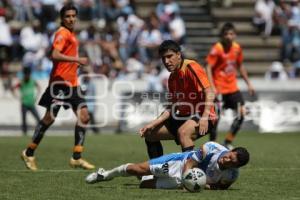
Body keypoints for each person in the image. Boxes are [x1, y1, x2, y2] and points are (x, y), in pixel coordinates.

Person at [20, 3, 95, 171]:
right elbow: (54, 55)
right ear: (62, 18)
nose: (71, 19)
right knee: (50, 118)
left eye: (73, 16)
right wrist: (76, 60)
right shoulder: (62, 33)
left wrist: (73, 66)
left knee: (84, 117)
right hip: (59, 84)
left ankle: (76, 157)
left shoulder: (71, 34)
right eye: (67, 16)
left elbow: (59, 54)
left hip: (72, 84)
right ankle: (29, 152)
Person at [139, 40, 216, 159]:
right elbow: (172, 107)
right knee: (150, 134)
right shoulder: (171, 79)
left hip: (204, 115)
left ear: (179, 54)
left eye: (170, 56)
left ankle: (188, 172)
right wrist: (152, 124)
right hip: (184, 116)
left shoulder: (191, 67)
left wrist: (205, 117)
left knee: (183, 133)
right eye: (163, 58)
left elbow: (209, 92)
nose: (166, 61)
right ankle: (157, 171)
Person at [85, 141, 250, 190]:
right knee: (136, 169)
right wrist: (189, 179)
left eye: (231, 163)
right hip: (179, 164)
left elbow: (221, 188)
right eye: (229, 156)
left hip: (184, 180)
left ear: (236, 167)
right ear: (231, 150)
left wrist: (204, 186)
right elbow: (191, 163)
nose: (226, 161)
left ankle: (148, 177)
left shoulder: (232, 175)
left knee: (144, 185)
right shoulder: (212, 148)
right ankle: (104, 175)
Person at [205, 22, 255, 149]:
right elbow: (208, 67)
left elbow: (240, 66)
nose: (228, 36)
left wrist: (249, 84)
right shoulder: (217, 48)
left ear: (235, 35)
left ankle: (227, 141)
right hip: (219, 90)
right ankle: (212, 145)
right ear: (222, 35)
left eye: (231, 34)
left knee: (242, 113)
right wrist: (212, 87)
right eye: (226, 34)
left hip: (232, 89)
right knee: (215, 119)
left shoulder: (237, 48)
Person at [11, 67, 41, 136]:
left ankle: (40, 131)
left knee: (38, 118)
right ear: (24, 74)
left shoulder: (33, 81)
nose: (27, 76)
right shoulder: (21, 82)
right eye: (26, 74)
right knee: (24, 119)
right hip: (24, 103)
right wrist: (17, 97)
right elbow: (13, 88)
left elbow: (39, 87)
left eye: (28, 74)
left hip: (31, 103)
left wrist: (36, 97)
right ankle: (25, 132)